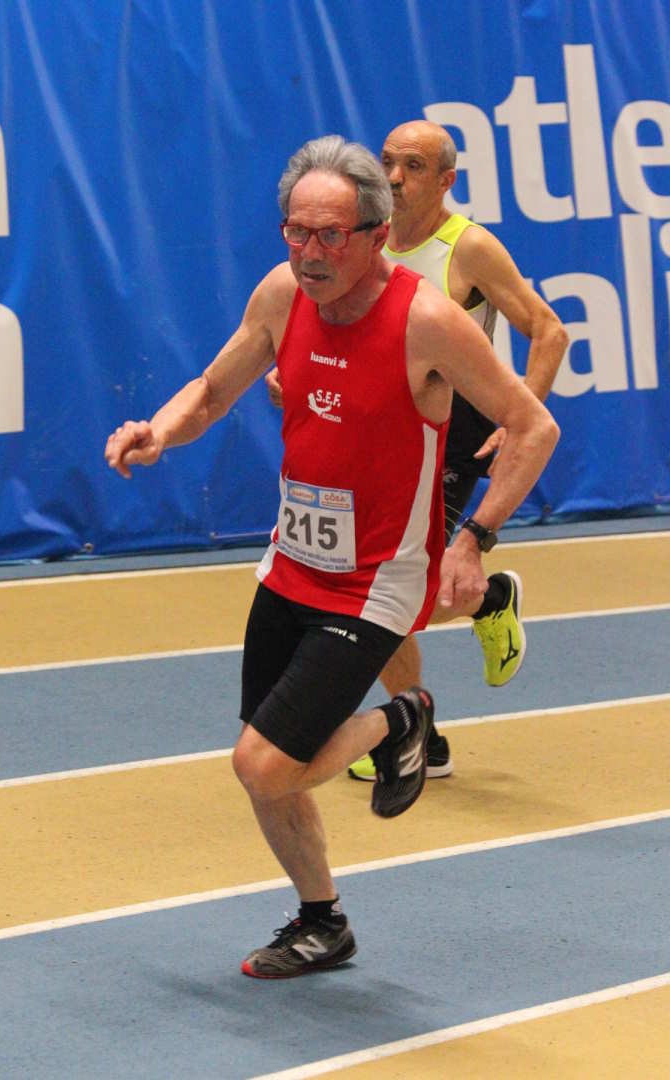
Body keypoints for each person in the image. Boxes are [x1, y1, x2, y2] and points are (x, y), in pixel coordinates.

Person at [105, 135, 559, 979]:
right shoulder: (283, 294)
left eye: (330, 236)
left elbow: (535, 426)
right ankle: (323, 921)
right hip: (292, 561)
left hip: (378, 581)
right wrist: (157, 433)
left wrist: (474, 537)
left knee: (263, 763)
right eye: (296, 232)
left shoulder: (428, 319)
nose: (310, 254)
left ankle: (402, 718)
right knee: (264, 772)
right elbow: (211, 390)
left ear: (376, 238)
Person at [267, 120, 568, 783]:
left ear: (445, 181)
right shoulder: (362, 242)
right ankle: (436, 699)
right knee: (367, 593)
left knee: (384, 598)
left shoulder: (470, 248)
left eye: (413, 166)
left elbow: (548, 330)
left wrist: (520, 416)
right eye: (388, 163)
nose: (396, 177)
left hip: (448, 436)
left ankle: (421, 724)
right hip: (371, 435)